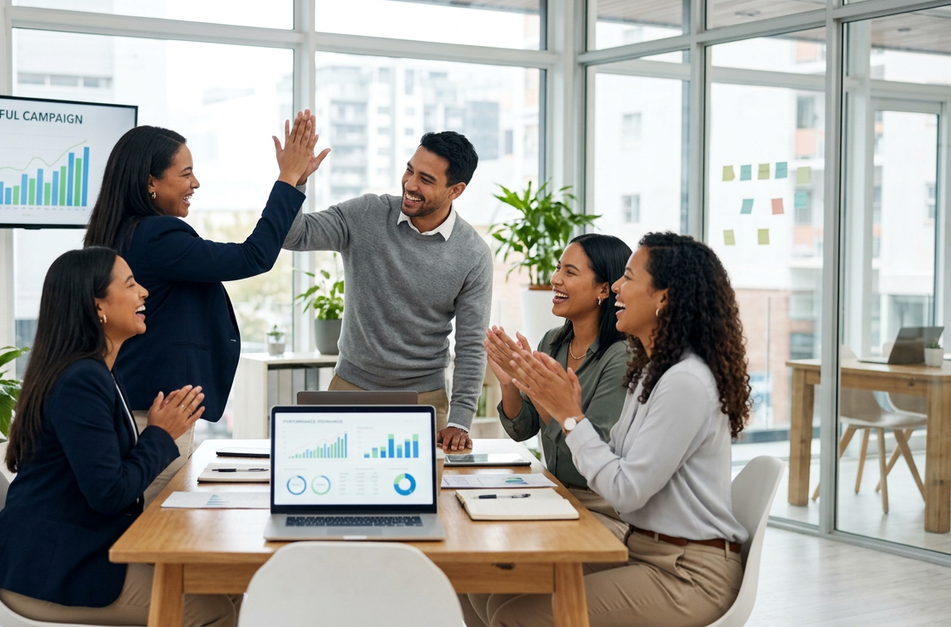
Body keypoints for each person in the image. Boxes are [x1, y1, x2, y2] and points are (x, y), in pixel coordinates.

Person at [469, 232, 752, 626]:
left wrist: (569, 414)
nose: (617, 286)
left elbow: (624, 492)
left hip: (687, 573)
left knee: (515, 617)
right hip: (643, 551)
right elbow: (613, 462)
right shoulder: (651, 373)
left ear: (664, 297)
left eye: (629, 278)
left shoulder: (685, 381)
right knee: (488, 589)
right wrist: (547, 399)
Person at [0, 247, 236, 626]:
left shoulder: (90, 370)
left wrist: (159, 432)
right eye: (131, 285)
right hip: (50, 569)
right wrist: (160, 434)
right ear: (97, 306)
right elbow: (109, 493)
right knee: (213, 613)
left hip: (68, 549)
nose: (144, 292)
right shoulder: (81, 381)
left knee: (223, 583)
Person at [83, 111, 329, 453]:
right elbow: (253, 256)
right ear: (151, 182)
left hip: (136, 401)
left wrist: (293, 179)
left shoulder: (118, 231)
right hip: (156, 413)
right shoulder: (157, 235)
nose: (195, 183)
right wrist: (287, 179)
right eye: (186, 174)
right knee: (158, 491)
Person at [282, 131, 492, 451]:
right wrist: (294, 180)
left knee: (423, 485)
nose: (410, 184)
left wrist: (459, 421)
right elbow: (292, 236)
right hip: (349, 388)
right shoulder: (368, 213)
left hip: (424, 399)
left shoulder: (473, 254)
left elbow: (471, 346)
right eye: (409, 170)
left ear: (456, 190)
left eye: (425, 179)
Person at [484, 233, 631, 524]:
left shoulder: (622, 356)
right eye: (558, 268)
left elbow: (592, 454)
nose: (555, 279)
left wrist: (539, 390)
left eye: (570, 272)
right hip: (554, 492)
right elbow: (522, 430)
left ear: (604, 289)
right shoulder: (552, 342)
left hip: (599, 507)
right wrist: (510, 382)